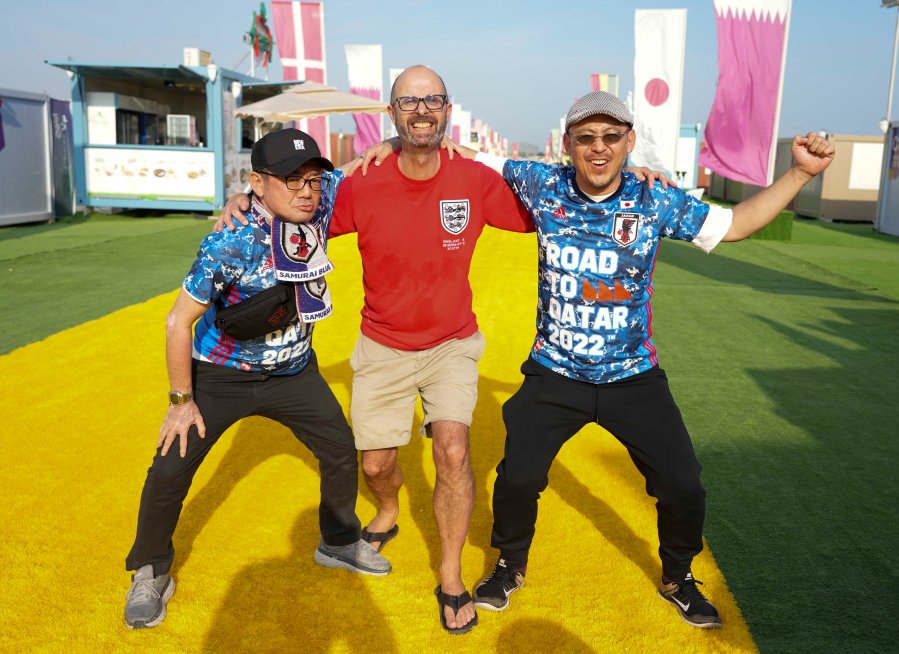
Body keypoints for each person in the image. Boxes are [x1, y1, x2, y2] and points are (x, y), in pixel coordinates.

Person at [220, 68, 670, 635]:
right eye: (410, 101)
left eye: (432, 100)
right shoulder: (361, 181)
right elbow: (294, 202)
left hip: (452, 343)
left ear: (448, 109)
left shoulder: (475, 179)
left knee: (452, 450)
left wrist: (634, 177)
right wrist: (247, 197)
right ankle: (388, 507)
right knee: (377, 464)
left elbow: (565, 194)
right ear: (393, 115)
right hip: (382, 343)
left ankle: (451, 574)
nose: (422, 110)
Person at [435, 91, 835, 629]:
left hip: (634, 378)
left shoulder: (654, 200)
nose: (598, 149)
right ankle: (510, 563)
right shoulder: (541, 182)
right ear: (569, 144)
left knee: (684, 485)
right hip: (555, 373)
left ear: (628, 141)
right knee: (516, 478)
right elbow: (454, 152)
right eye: (586, 138)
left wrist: (800, 174)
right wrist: (397, 137)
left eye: (610, 137)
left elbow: (734, 224)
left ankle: (677, 576)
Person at [123, 128, 391, 630]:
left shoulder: (317, 206)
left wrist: (398, 137)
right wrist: (182, 400)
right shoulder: (228, 242)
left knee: (337, 448)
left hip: (293, 371)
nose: (306, 190)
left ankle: (337, 541)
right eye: (291, 180)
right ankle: (150, 570)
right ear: (258, 184)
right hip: (221, 375)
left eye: (313, 179)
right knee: (169, 470)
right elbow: (177, 321)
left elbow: (364, 162)